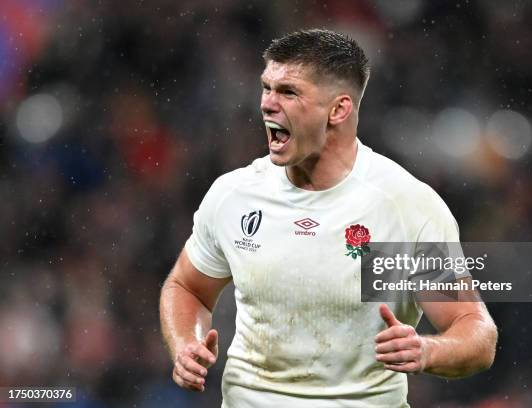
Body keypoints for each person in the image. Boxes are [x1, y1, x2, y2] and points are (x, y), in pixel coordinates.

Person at [160, 29, 497, 407]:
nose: (267, 105)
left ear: (339, 109)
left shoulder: (402, 207)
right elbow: (187, 288)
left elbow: (476, 334)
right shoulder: (235, 195)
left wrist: (426, 351)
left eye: (288, 92)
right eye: (266, 87)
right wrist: (185, 343)